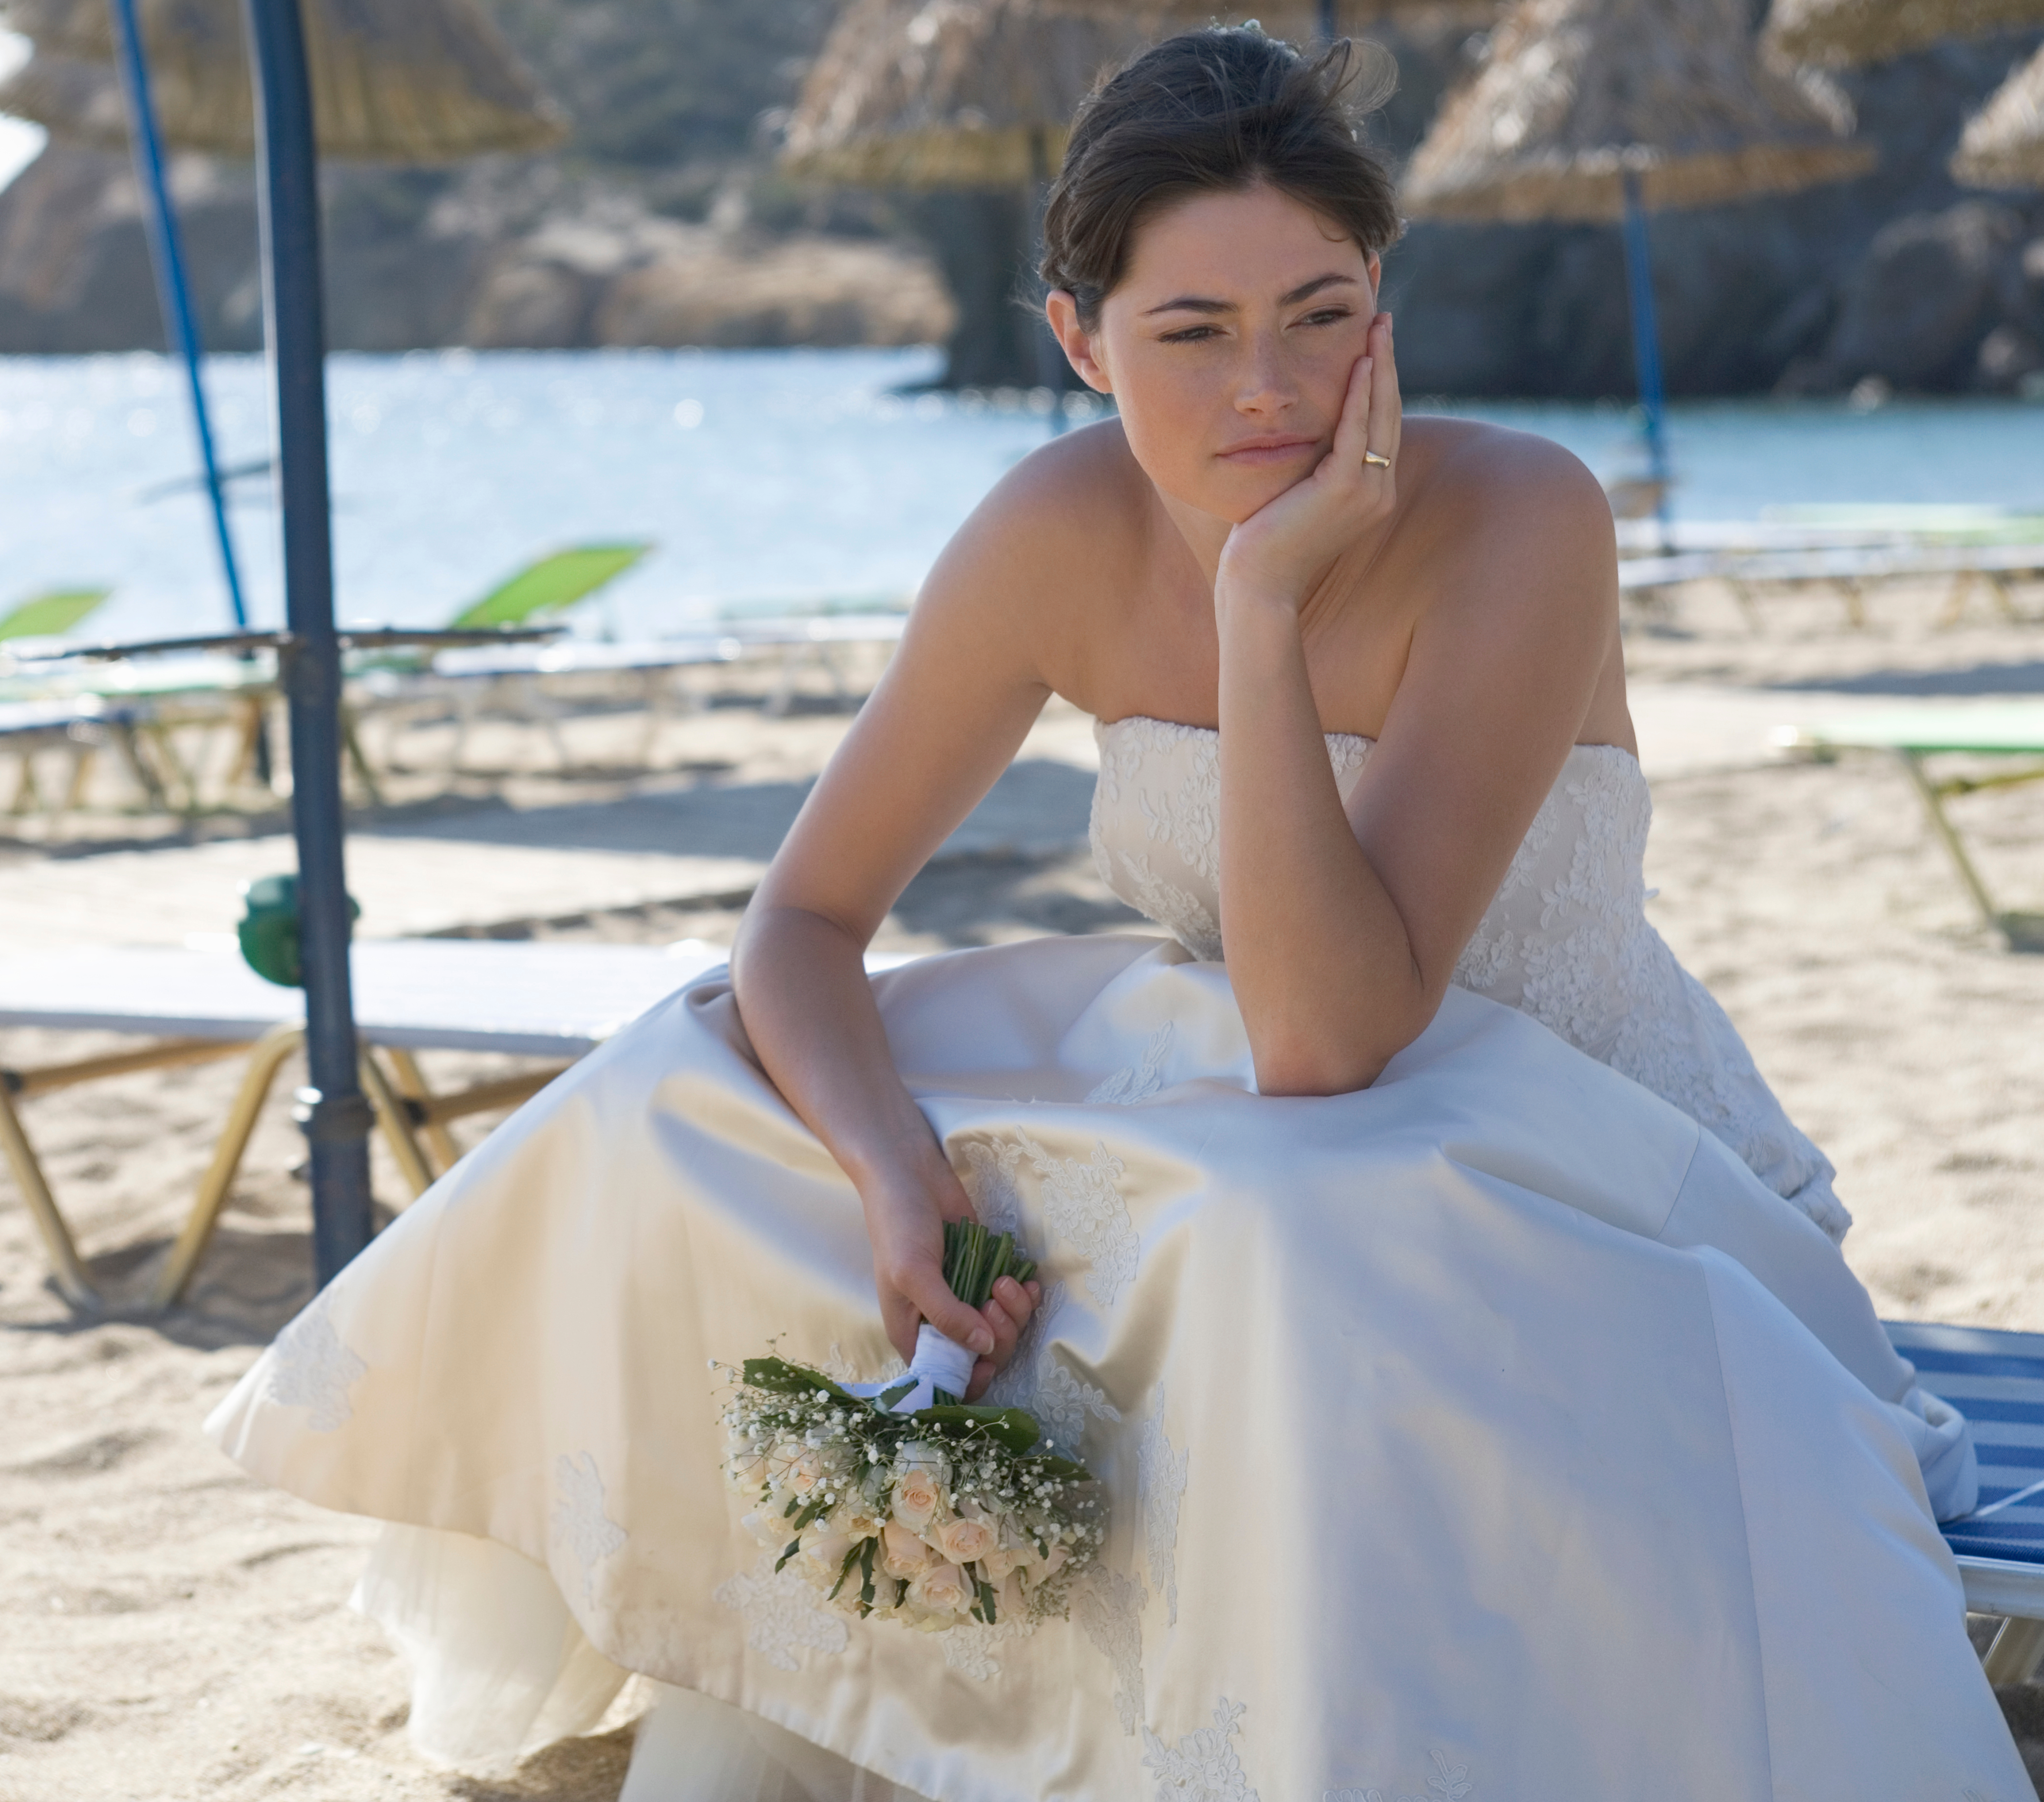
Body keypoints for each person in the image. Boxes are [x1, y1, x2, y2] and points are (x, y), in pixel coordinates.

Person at [207, 28, 2030, 1800]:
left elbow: (1333, 1036)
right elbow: (802, 924)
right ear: (1080, 339)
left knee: (1261, 1220)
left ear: (1385, 302)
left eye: (1322, 316)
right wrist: (889, 1170)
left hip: (1588, 1170)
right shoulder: (1049, 531)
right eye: (1194, 332)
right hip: (1279, 1147)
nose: (1269, 390)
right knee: (682, 1081)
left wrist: (1258, 607)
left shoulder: (1519, 521)